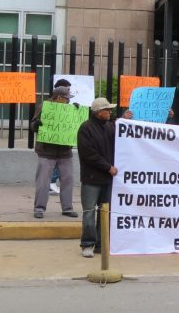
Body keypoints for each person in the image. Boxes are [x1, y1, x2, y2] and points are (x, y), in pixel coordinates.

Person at [77, 97, 119, 258]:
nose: (110, 112)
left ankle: (101, 244)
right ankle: (87, 244)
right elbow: (89, 155)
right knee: (89, 212)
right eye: (107, 110)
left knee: (105, 212)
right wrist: (108, 167)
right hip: (92, 179)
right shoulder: (85, 129)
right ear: (98, 112)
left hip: (108, 179)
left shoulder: (110, 127)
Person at [30, 86, 78, 219]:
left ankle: (67, 208)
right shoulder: (45, 107)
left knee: (68, 179)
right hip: (46, 151)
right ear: (58, 98)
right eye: (66, 99)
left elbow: (76, 125)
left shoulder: (70, 109)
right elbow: (32, 125)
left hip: (64, 151)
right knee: (43, 181)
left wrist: (77, 111)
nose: (68, 101)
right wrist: (37, 124)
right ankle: (39, 208)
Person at [49, 78, 73, 195]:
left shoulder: (68, 107)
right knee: (53, 165)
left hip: (64, 147)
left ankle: (52, 182)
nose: (69, 96)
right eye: (67, 91)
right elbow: (34, 125)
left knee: (63, 169)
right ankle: (51, 182)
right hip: (49, 147)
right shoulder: (47, 106)